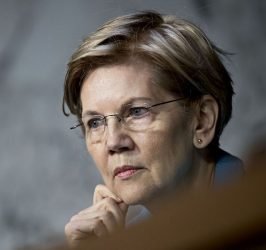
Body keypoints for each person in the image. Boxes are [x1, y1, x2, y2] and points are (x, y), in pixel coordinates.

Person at [62, 10, 243, 248]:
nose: (113, 142)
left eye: (137, 111)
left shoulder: (256, 207)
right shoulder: (131, 239)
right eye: (95, 123)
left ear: (201, 121)